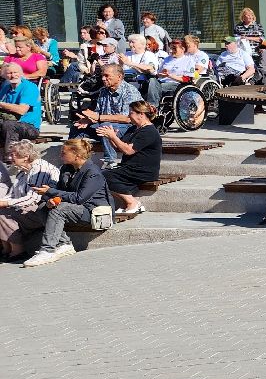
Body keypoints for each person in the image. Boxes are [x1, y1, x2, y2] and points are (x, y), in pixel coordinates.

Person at [18, 137, 111, 268]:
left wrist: (50, 192)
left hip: (94, 211)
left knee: (59, 209)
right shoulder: (66, 169)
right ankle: (64, 244)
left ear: (77, 155)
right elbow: (61, 191)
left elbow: (79, 198)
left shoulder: (93, 172)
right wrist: (50, 199)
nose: (60, 155)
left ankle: (47, 250)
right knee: (43, 206)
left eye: (64, 153)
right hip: (75, 208)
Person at [96, 100, 161, 218]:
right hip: (131, 168)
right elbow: (120, 147)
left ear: (141, 114)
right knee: (99, 175)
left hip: (143, 170)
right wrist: (111, 137)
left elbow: (128, 150)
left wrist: (113, 136)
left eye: (131, 113)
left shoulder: (149, 131)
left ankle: (132, 202)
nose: (128, 115)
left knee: (103, 175)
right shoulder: (134, 129)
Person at [0, 139, 60, 260]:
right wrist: (3, 201)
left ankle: (18, 249)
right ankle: (6, 248)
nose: (10, 158)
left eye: (13, 155)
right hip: (29, 206)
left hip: (43, 208)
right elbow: (13, 195)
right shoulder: (22, 172)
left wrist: (5, 203)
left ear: (26, 157)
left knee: (2, 214)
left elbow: (33, 198)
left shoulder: (39, 169)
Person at [74, 64, 141, 160]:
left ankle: (110, 161)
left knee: (105, 128)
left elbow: (128, 118)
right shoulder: (103, 91)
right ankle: (74, 158)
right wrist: (88, 120)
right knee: (76, 128)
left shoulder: (130, 91)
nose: (103, 78)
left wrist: (99, 118)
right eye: (102, 75)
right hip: (105, 124)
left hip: (127, 128)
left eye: (107, 76)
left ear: (119, 77)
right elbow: (98, 113)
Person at [0, 61, 42, 151]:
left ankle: (11, 156)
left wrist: (1, 104)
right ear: (4, 75)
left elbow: (22, 110)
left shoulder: (29, 87)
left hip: (29, 126)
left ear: (21, 73)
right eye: (9, 73)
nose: (13, 75)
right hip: (9, 121)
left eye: (16, 72)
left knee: (9, 125)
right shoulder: (6, 87)